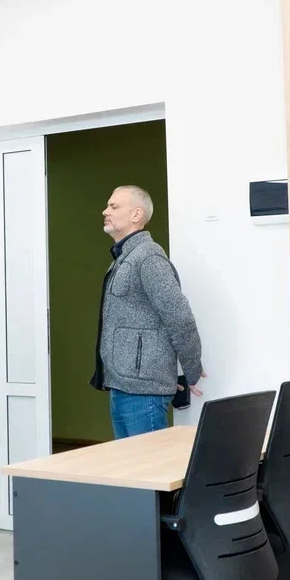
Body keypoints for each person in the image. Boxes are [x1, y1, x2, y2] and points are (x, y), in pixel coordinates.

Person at [89, 185, 205, 438]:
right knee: (129, 463)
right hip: (122, 387)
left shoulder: (148, 257)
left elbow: (178, 315)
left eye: (114, 206)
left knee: (149, 462)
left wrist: (191, 368)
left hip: (142, 392)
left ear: (136, 214)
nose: (105, 211)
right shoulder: (124, 258)